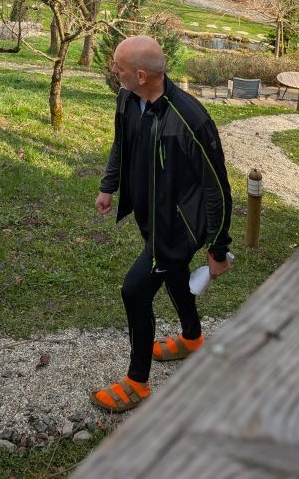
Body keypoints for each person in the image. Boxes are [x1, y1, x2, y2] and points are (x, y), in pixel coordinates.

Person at [91, 36, 232, 413]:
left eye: (118, 66)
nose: (113, 70)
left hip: (178, 227)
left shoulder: (191, 119)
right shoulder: (127, 98)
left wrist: (217, 249)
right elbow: (121, 145)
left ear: (140, 74)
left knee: (135, 292)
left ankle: (137, 382)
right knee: (174, 275)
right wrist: (109, 186)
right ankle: (192, 338)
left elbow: (217, 188)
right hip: (151, 217)